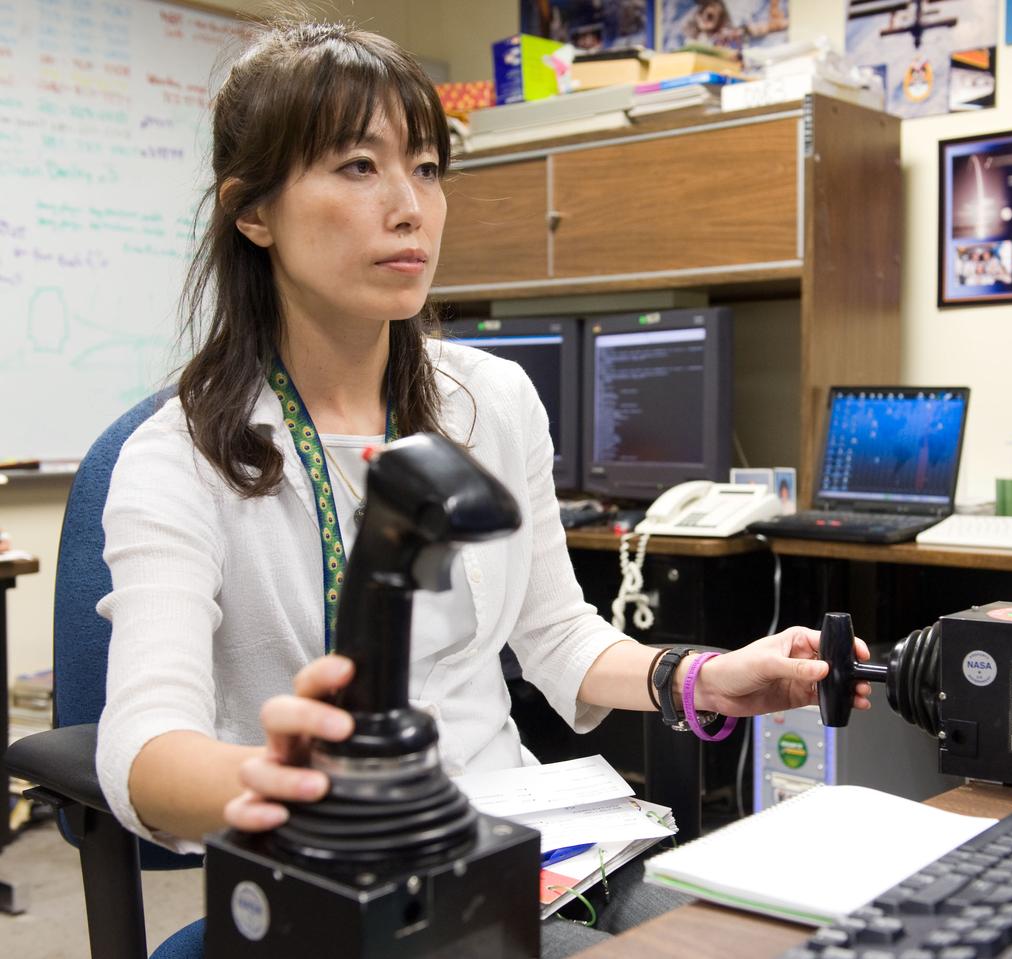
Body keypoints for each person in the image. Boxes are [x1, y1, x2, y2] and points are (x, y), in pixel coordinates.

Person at [94, 20, 872, 957]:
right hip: (337, 875)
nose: (409, 206)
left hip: (524, 838)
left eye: (426, 168)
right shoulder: (177, 456)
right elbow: (141, 747)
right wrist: (277, 780)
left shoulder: (491, 401)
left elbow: (555, 635)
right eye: (356, 166)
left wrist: (699, 675)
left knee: (779, 939)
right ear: (252, 212)